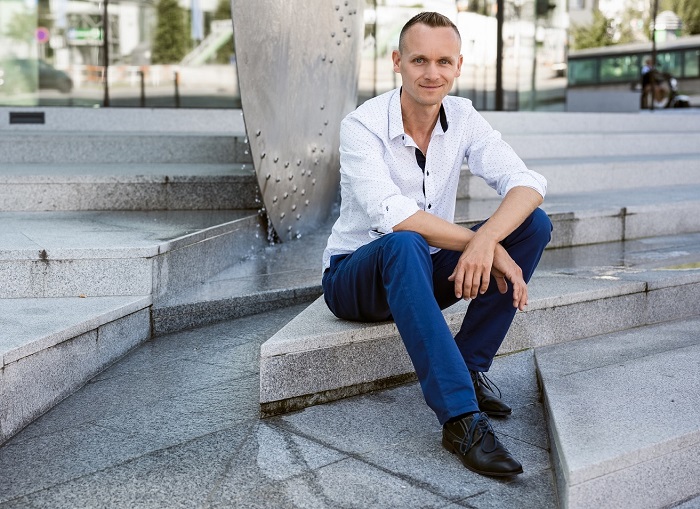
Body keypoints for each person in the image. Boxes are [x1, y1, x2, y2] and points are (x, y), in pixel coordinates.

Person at [321, 11, 552, 477]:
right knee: (405, 241)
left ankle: (467, 365)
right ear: (397, 62)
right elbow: (394, 215)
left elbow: (527, 182)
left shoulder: (462, 116)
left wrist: (488, 239)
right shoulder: (362, 125)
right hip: (356, 279)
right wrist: (484, 244)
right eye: (419, 60)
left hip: (422, 271)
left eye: (444, 61)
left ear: (458, 65)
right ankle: (461, 419)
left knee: (534, 225)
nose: (432, 73)